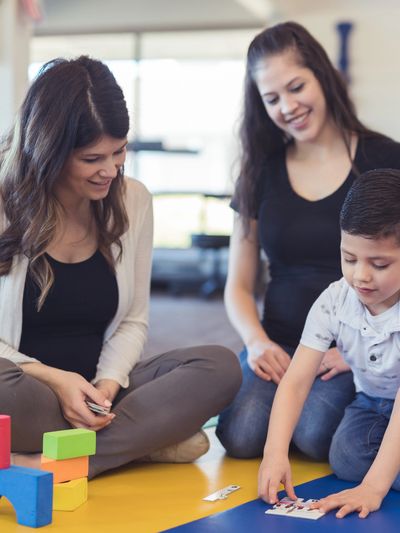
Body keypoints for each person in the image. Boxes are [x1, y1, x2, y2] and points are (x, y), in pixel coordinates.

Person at [0, 56, 242, 479]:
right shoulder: (5, 205)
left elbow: (133, 320)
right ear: (49, 153)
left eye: (119, 151)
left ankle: (63, 461)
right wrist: (56, 380)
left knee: (219, 366)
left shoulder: (134, 200)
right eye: (92, 158)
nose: (110, 170)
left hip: (105, 398)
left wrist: (107, 385)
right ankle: (144, 441)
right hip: (26, 392)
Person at [216, 21, 400, 460]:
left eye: (296, 87)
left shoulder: (385, 157)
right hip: (279, 343)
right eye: (272, 98)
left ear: (322, 75)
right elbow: (238, 285)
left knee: (316, 437)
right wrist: (257, 342)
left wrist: (355, 348)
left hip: (352, 345)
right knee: (241, 435)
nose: (289, 107)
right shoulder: (259, 172)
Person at [259, 168, 400, 518]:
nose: (360, 276)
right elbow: (295, 381)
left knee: (370, 474)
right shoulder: (335, 299)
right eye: (349, 258)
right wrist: (274, 453)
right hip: (372, 402)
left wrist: (373, 488)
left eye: (379, 264)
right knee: (346, 458)